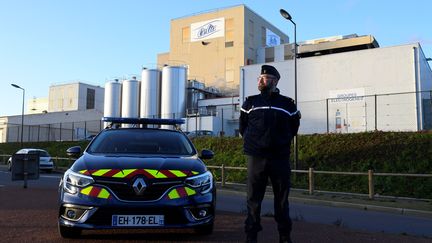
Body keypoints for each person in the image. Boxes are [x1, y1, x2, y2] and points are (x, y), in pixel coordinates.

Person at [239, 65, 300, 243]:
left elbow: (293, 128)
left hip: (279, 158)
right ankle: (251, 236)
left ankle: (284, 236)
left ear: (274, 81)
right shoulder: (250, 103)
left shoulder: (287, 104)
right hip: (255, 157)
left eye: (264, 78)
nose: (259, 80)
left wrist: (280, 143)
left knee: (282, 200)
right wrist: (254, 144)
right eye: (259, 78)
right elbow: (243, 128)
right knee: (253, 199)